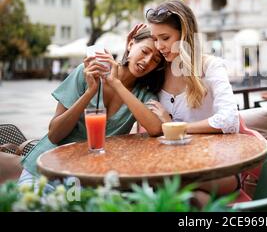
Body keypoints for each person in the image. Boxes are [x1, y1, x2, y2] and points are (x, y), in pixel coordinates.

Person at [18, 27, 165, 188]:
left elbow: (155, 129)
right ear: (130, 44)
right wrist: (89, 92)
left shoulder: (143, 94)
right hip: (46, 171)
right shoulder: (87, 72)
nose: (147, 61)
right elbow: (54, 135)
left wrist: (117, 84)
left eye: (156, 60)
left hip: (87, 179)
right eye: (145, 51)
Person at [136, 0, 240, 207]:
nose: (159, 46)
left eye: (165, 38)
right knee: (192, 199)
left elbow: (230, 120)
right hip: (174, 167)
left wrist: (173, 128)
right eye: (155, 39)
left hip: (216, 166)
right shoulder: (158, 72)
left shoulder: (211, 66)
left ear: (184, 34)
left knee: (167, 188)